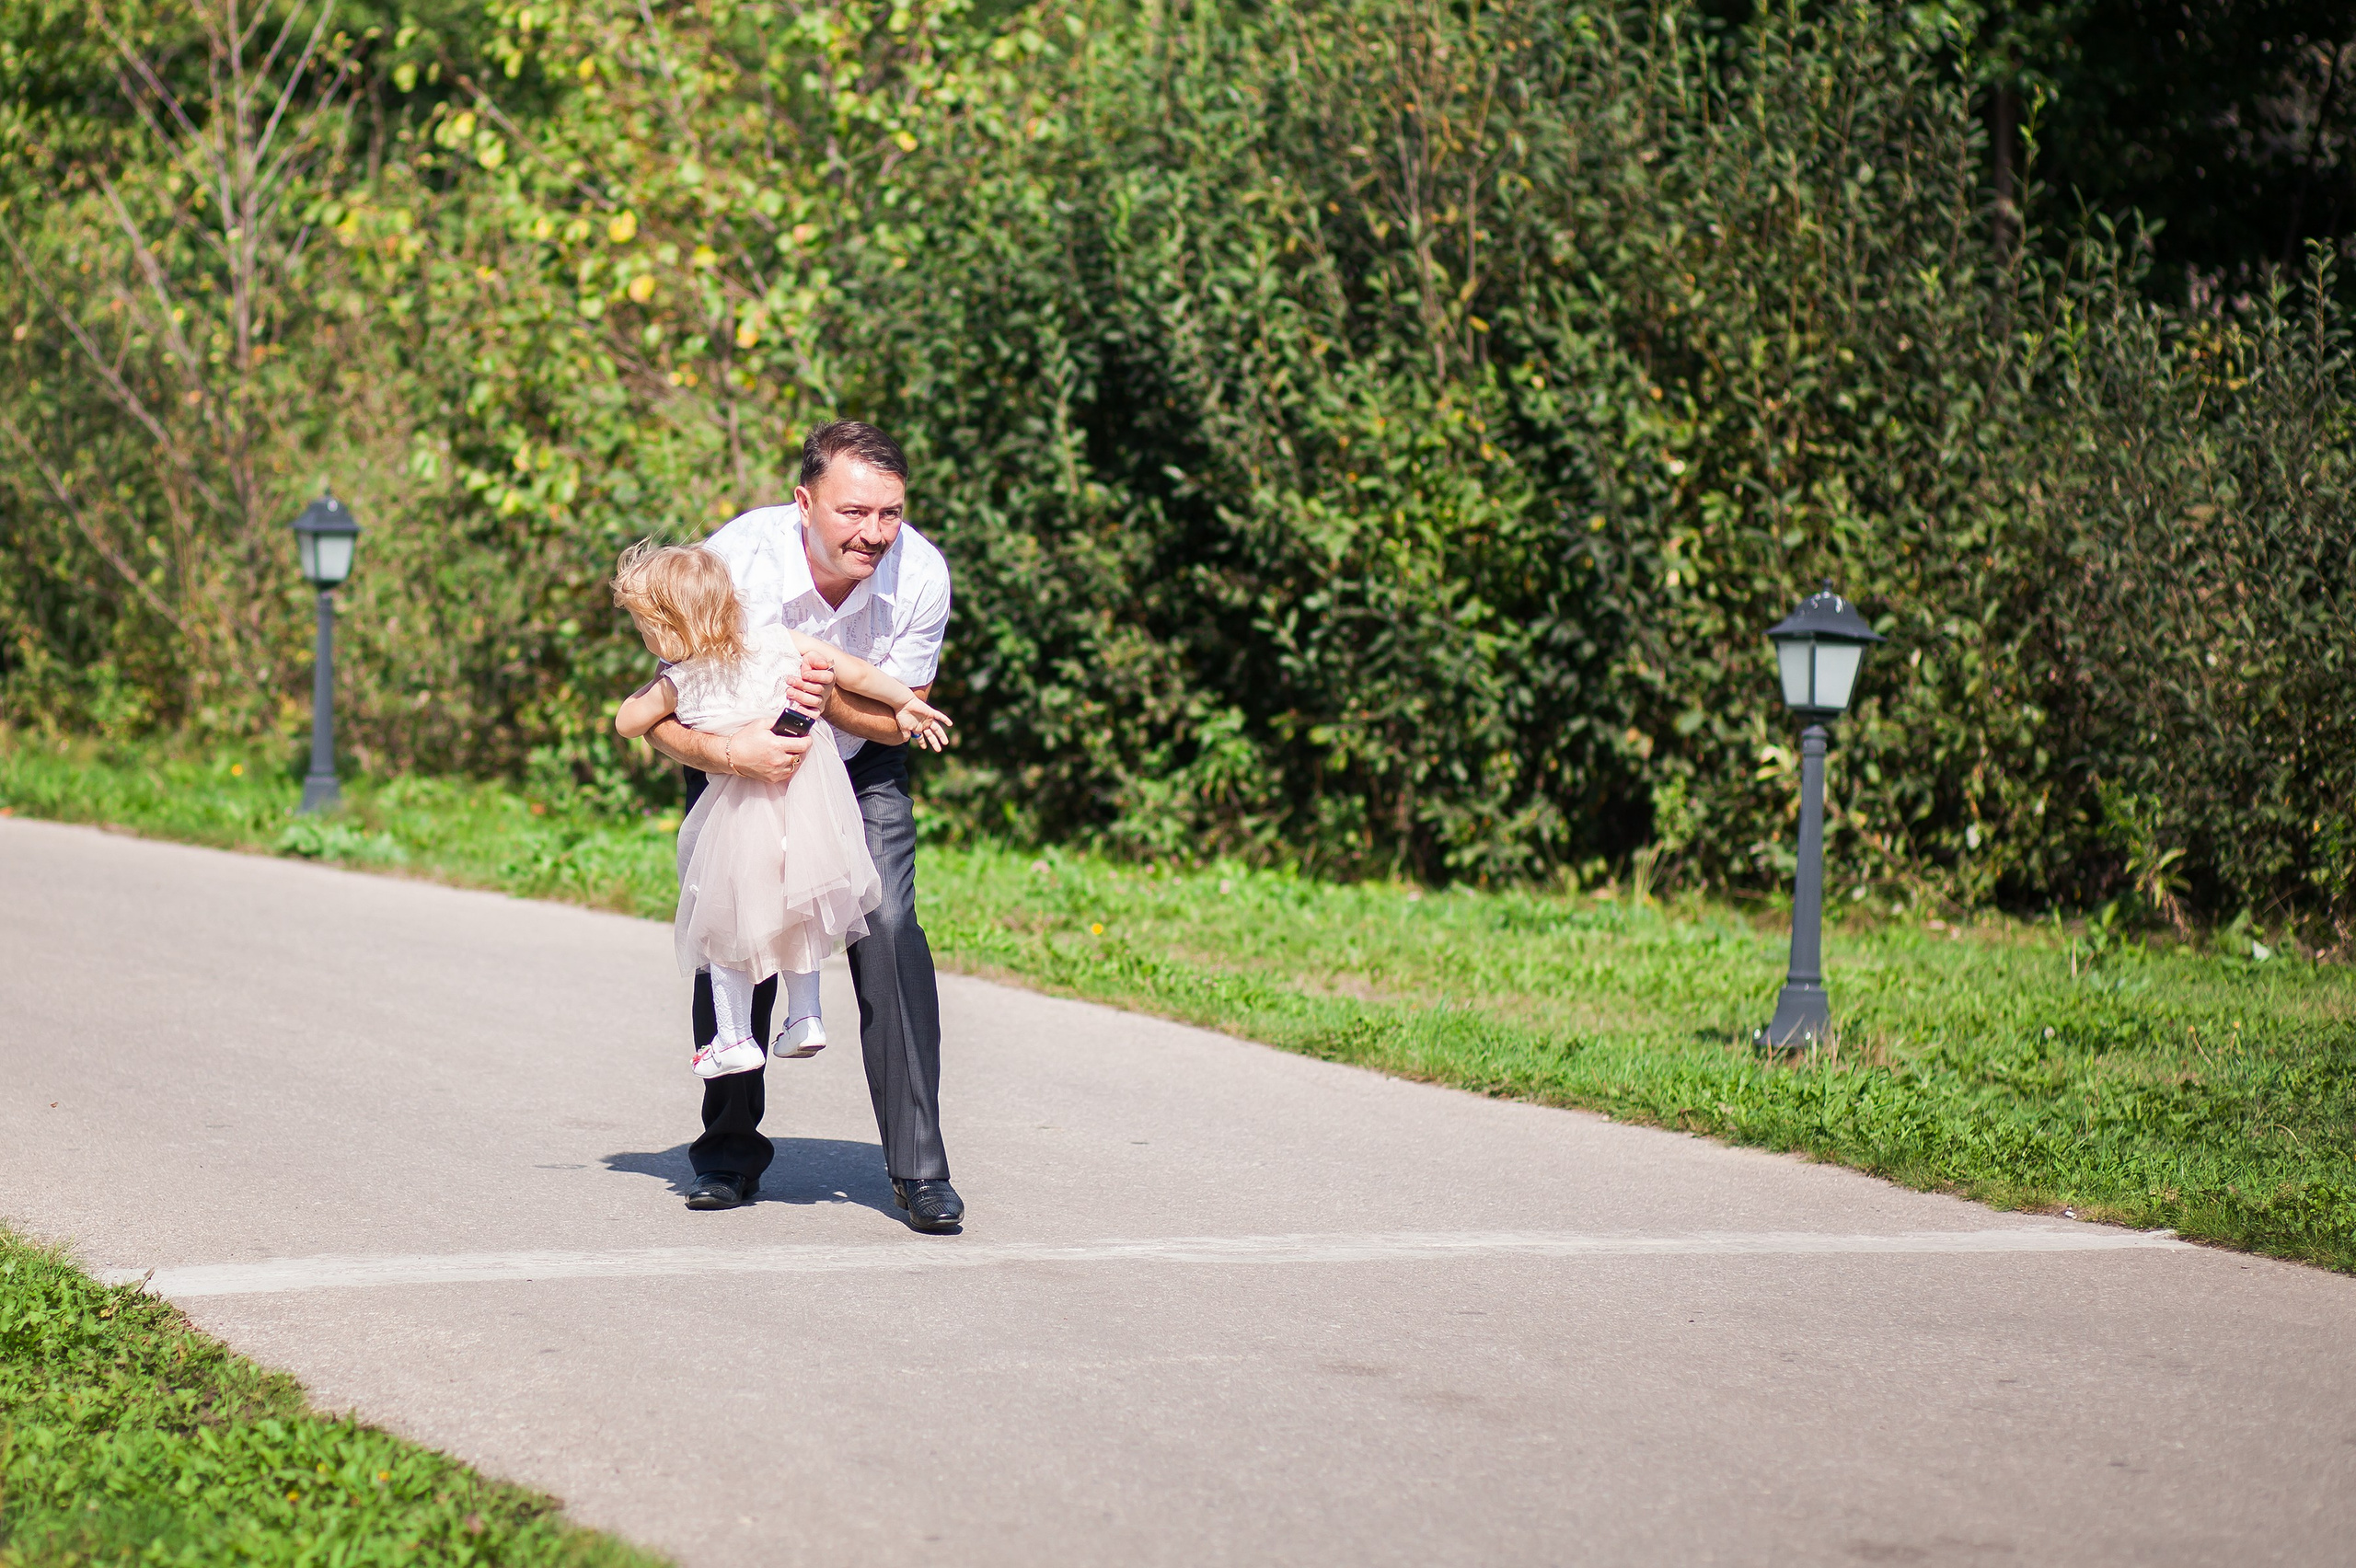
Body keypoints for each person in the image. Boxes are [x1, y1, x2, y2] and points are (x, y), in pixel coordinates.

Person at [641, 420, 967, 1232]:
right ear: (804, 503)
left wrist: (822, 696)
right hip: (741, 753)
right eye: (854, 512)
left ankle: (921, 1172)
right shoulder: (738, 561)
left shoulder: (921, 574)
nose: (875, 533)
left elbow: (898, 719)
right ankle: (726, 1155)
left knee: (889, 926)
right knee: (736, 928)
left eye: (890, 513)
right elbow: (660, 714)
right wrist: (733, 752)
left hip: (858, 767)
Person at [608, 541, 951, 1078]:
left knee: (725, 924)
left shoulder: (682, 679)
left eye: (645, 628)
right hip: (808, 808)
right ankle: (807, 1017)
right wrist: (903, 701)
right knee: (801, 912)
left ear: (669, 629)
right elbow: (853, 672)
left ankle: (734, 1037)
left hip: (742, 817)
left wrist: (651, 689)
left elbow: (628, 723)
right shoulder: (778, 642)